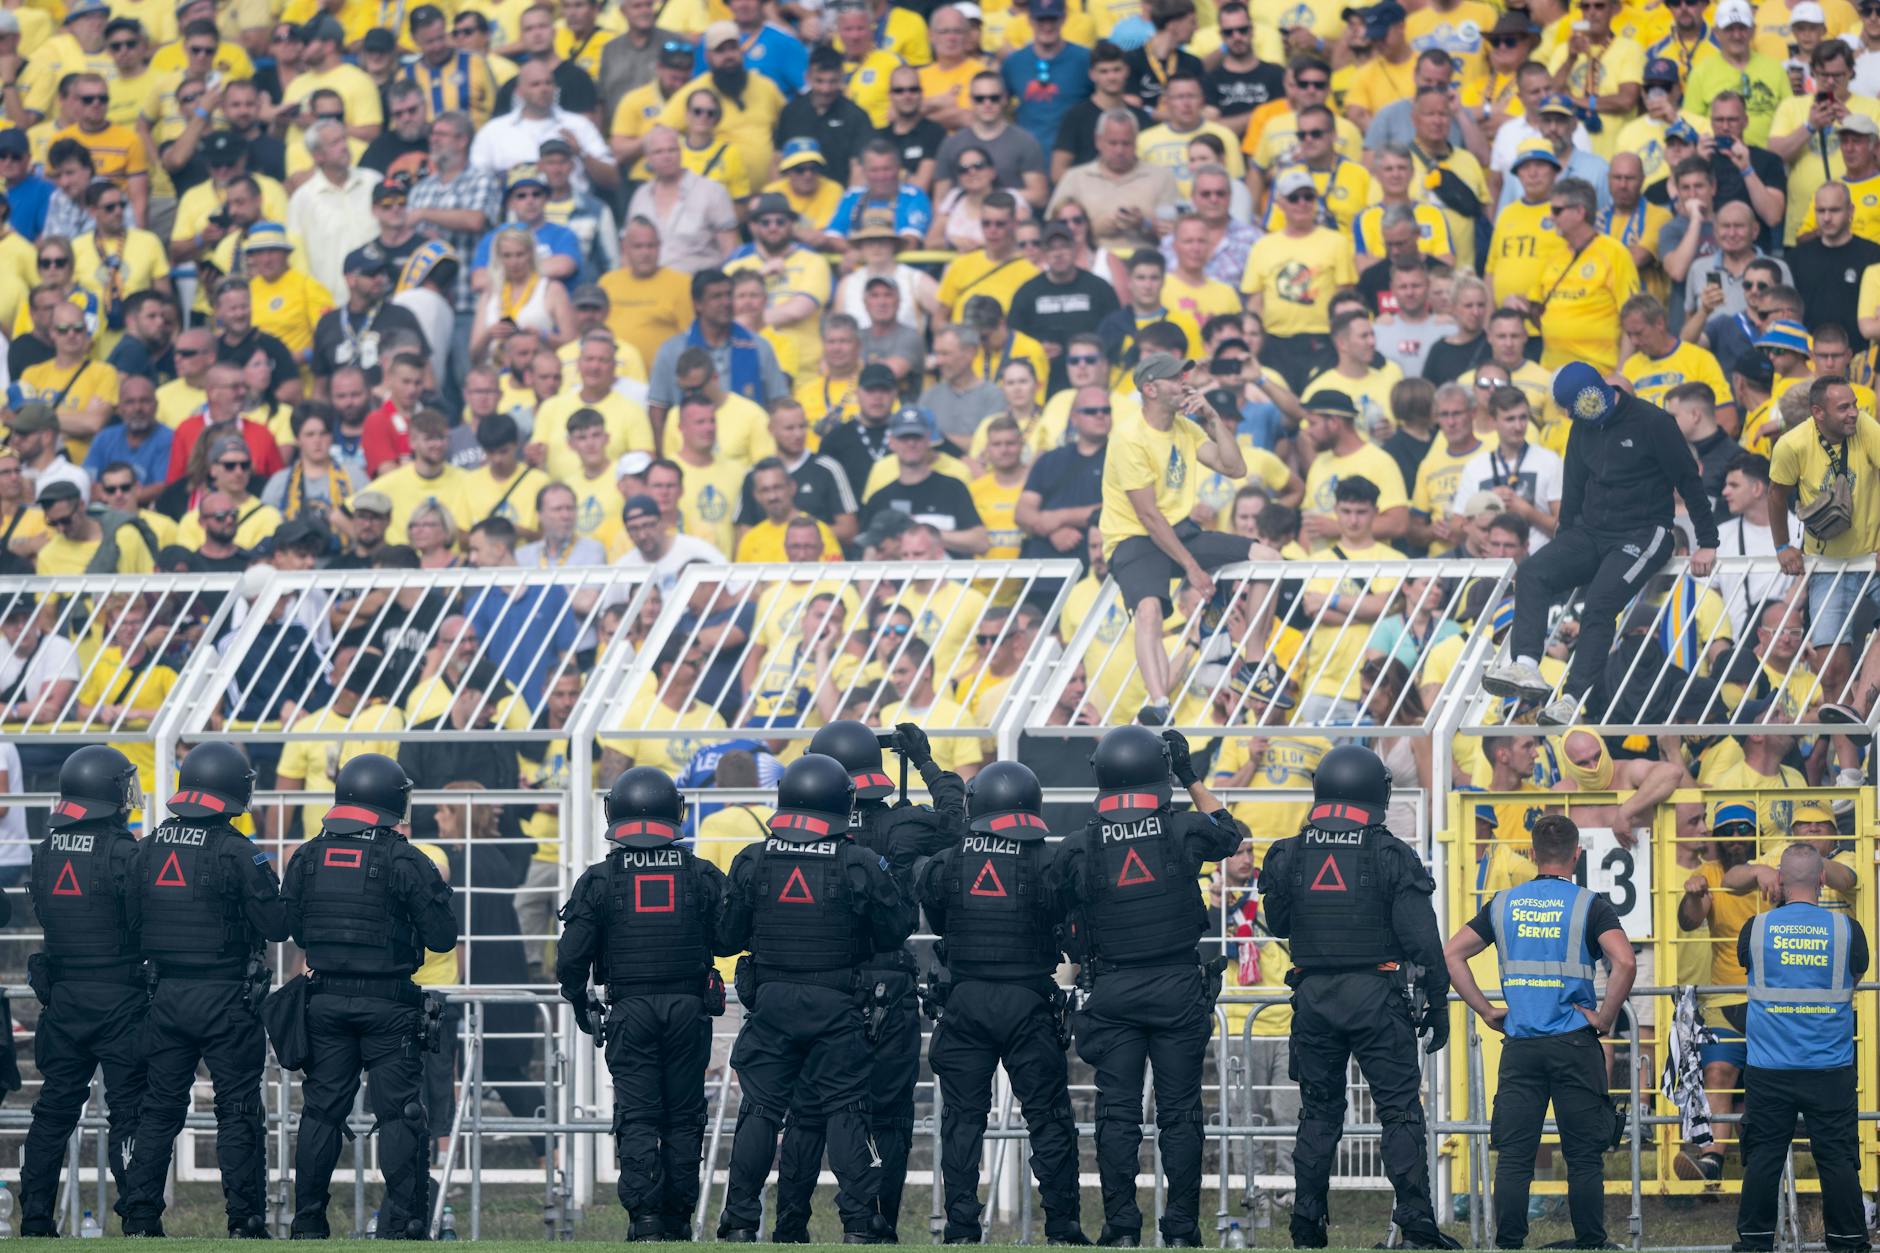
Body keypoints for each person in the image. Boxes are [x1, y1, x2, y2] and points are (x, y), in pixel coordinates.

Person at [1048, 725, 1247, 1248]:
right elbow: (1230, 833)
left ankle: (1120, 1230)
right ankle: (1181, 1230)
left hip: (1112, 990)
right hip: (1177, 986)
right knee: (1181, 1114)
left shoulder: (1078, 846)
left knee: (1116, 1115)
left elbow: (1055, 911)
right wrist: (1191, 776)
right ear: (1160, 774)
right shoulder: (1181, 830)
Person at [768, 721, 965, 1242]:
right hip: (886, 982)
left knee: (807, 1112)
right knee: (889, 1114)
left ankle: (790, 1223)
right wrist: (924, 761)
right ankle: (874, 1222)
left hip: (818, 982)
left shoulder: (787, 836)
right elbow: (956, 820)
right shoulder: (902, 825)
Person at [1255, 745, 1458, 1251]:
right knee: (1400, 1113)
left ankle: (1306, 1227)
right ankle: (1416, 1229)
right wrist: (1438, 1001)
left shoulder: (1288, 851)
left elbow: (1277, 922)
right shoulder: (1390, 852)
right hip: (1377, 994)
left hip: (1314, 996)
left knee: (1318, 1114)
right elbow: (1423, 940)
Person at [713, 752, 916, 1244]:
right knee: (846, 1109)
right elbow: (896, 930)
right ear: (842, 804)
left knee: (760, 1110)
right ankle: (859, 1225)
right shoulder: (858, 861)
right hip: (836, 1002)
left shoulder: (754, 858)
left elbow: (725, 938)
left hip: (772, 1002)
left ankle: (740, 1222)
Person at [119, 742, 289, 1238]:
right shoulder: (238, 850)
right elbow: (276, 925)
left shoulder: (148, 845)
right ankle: (245, 1223)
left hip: (165, 997)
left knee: (158, 1110)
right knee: (237, 1111)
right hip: (226, 999)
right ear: (233, 787)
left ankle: (140, 1219)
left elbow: (131, 923)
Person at [1442, 813, 1635, 1251]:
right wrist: (1605, 1017)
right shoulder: (1590, 904)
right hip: (1574, 1042)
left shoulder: (1504, 902)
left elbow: (1452, 954)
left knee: (1514, 1156)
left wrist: (1487, 1009)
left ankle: (1509, 1244)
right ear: (1577, 855)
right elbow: (1624, 961)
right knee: (1583, 1155)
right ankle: (1590, 1243)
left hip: (1522, 1045)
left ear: (1532, 854)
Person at [285, 753, 457, 1240]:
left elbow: (293, 929)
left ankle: (308, 1224)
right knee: (400, 1113)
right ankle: (403, 1225)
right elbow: (443, 936)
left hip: (324, 1002)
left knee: (321, 1111)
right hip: (389, 1006)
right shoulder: (405, 858)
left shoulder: (307, 855)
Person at [1486, 364, 1718, 725]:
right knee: (1532, 570)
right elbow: (1574, 492)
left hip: (1645, 532)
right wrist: (1563, 554)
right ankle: (1526, 666)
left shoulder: (1652, 422)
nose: (1572, 414)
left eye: (1577, 405)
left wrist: (1707, 541)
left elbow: (1688, 480)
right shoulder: (1581, 428)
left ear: (1598, 391)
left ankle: (1573, 699)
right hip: (1591, 532)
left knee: (1599, 603)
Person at [556, 766, 729, 1240]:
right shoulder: (700, 874)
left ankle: (645, 1220)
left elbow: (570, 959)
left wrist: (580, 1003)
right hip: (688, 1008)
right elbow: (730, 936)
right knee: (684, 1113)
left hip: (629, 1008)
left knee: (638, 1114)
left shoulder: (599, 879)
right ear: (676, 813)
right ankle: (677, 1218)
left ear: (616, 814)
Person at [915, 760, 1082, 1244]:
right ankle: (1064, 1226)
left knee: (963, 1119)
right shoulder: (1047, 861)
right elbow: (1062, 921)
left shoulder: (947, 861)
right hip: (1028, 1001)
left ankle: (962, 1227)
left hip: (965, 1000)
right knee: (1048, 1116)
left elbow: (939, 920)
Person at [19, 747, 137, 1236]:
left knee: (53, 1110)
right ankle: (139, 1217)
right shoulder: (126, 851)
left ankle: (36, 1220)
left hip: (64, 998)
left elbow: (46, 917)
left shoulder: (45, 852)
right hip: (121, 997)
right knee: (130, 1112)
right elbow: (140, 922)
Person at [1100, 353, 1253, 725]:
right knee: (1149, 609)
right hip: (1132, 536)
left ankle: (1258, 660)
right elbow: (1148, 516)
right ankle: (1159, 701)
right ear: (1149, 389)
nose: (1184, 383)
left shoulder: (1186, 427)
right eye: (1173, 379)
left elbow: (1235, 468)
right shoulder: (1128, 435)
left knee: (1267, 557)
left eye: (1184, 376)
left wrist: (1213, 419)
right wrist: (1193, 569)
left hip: (1175, 528)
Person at [1732, 843, 1869, 1253]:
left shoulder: (1755, 929)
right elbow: (1854, 977)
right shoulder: (1847, 930)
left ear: (1781, 879)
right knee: (1838, 1159)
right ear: (1822, 879)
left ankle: (1755, 1242)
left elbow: (1751, 970)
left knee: (1763, 1158)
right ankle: (1848, 1241)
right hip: (1830, 1066)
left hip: (1769, 1066)